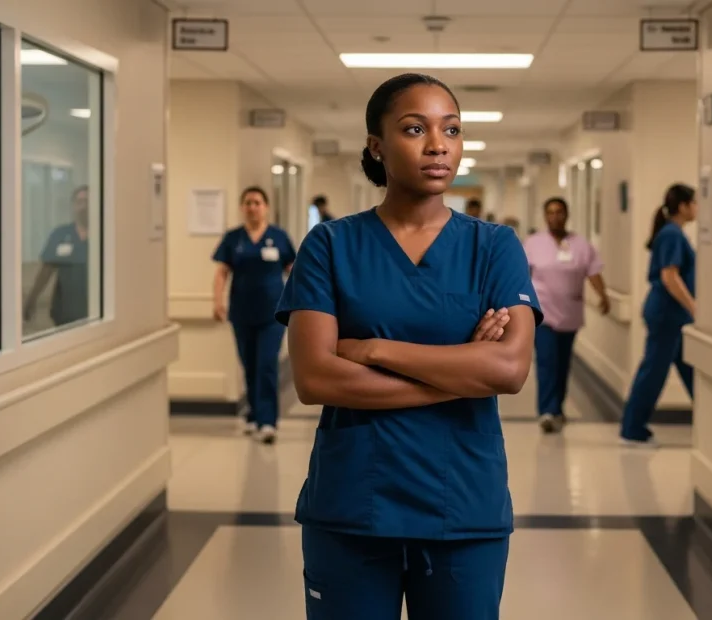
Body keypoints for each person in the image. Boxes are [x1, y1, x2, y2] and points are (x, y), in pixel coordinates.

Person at [276, 73, 542, 620]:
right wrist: (458, 375)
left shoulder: (494, 246)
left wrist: (374, 350)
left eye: (451, 129)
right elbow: (316, 379)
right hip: (352, 507)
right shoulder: (329, 244)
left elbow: (509, 369)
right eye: (414, 128)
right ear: (377, 145)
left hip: (463, 508)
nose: (438, 144)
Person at [213, 186, 296, 444]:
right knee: (249, 364)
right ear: (242, 207)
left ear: (266, 207)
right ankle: (253, 414)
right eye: (248, 203)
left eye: (257, 202)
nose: (252, 207)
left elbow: (292, 270)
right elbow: (222, 272)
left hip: (273, 313)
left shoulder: (279, 237)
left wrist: (299, 302)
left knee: (266, 365)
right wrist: (217, 301)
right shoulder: (234, 238)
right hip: (241, 312)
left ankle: (268, 421)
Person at [620, 183, 697, 447]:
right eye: (695, 202)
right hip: (668, 314)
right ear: (684, 206)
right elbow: (669, 276)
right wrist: (694, 306)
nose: (698, 208)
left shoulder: (672, 233)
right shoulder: (672, 235)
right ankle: (632, 428)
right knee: (654, 370)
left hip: (671, 314)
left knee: (691, 371)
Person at [525, 197, 610, 433]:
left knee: (562, 365)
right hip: (542, 314)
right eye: (550, 212)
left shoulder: (581, 245)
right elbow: (522, 275)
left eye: (559, 212)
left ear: (567, 214)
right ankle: (546, 411)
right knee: (547, 362)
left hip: (570, 314)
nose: (555, 216)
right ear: (545, 216)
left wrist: (603, 296)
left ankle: (557, 408)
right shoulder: (533, 243)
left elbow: (593, 272)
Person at [24, 186, 91, 329]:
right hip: (65, 313)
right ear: (73, 206)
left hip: (95, 312)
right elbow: (46, 270)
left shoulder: (105, 234)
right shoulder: (60, 234)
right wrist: (31, 299)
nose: (84, 206)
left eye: (88, 202)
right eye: (79, 202)